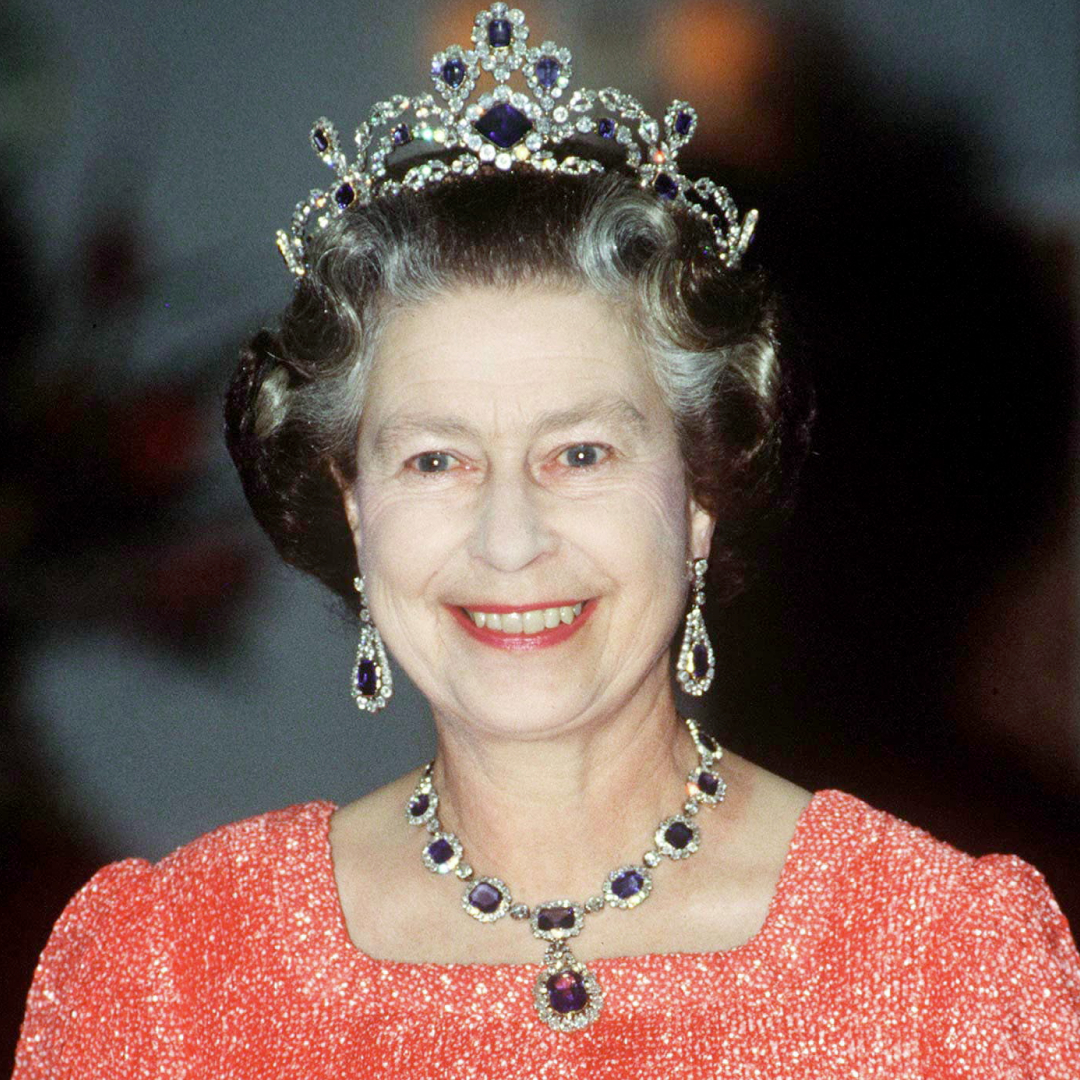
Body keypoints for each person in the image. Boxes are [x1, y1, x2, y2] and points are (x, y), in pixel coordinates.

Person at [15, 4, 1080, 1076]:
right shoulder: (167, 974)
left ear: (701, 489)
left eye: (580, 453)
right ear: (354, 507)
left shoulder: (949, 965)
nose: (510, 538)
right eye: (436, 460)